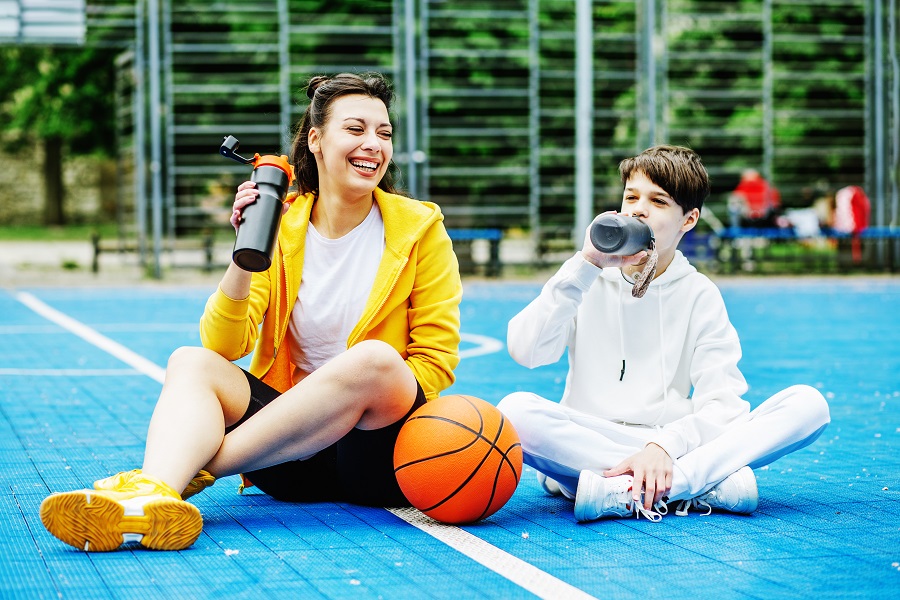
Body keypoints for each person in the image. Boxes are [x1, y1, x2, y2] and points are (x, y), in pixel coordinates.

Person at [39, 72, 463, 551]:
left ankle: (179, 472)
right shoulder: (281, 224)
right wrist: (246, 251)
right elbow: (223, 347)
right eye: (356, 129)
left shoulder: (420, 229)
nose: (373, 144)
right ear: (317, 140)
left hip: (377, 456)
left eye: (383, 133)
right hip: (286, 459)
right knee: (189, 361)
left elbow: (434, 363)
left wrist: (343, 399)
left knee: (374, 361)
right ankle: (150, 504)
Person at [496, 145, 830, 523]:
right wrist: (586, 263)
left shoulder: (699, 294)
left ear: (688, 220)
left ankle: (629, 490)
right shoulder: (584, 278)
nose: (638, 209)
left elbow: (723, 406)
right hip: (592, 441)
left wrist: (664, 446)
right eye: (631, 197)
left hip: (670, 443)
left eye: (657, 201)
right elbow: (526, 350)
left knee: (808, 405)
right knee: (513, 412)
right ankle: (695, 485)